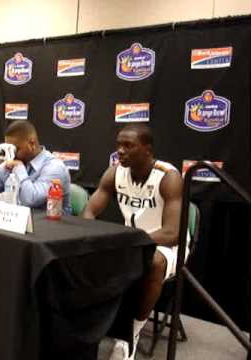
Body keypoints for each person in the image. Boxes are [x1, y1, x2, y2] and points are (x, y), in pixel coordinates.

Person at [82, 123, 187, 360]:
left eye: (128, 145)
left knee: (154, 262)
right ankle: (97, 322)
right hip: (133, 241)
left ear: (147, 150)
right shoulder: (114, 172)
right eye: (119, 145)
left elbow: (172, 233)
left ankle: (130, 334)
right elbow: (88, 213)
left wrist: (128, 241)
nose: (120, 151)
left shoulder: (168, 177)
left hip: (167, 246)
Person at [0, 120, 72, 214]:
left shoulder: (55, 168)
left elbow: (30, 200)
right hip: (18, 227)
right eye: (9, 149)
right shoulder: (13, 163)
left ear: (32, 144)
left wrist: (20, 169)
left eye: (16, 149)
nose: (13, 154)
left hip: (51, 231)